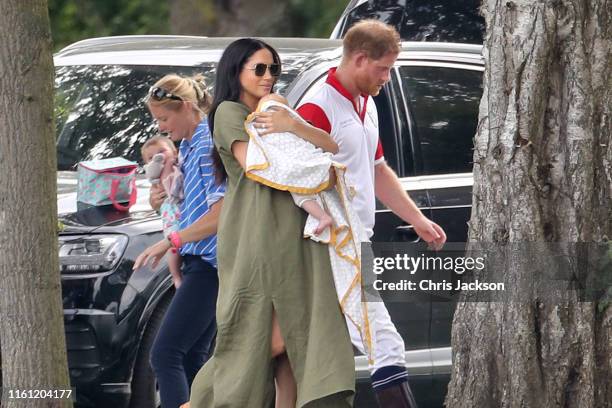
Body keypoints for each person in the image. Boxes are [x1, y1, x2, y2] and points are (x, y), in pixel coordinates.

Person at [189, 38, 355, 408]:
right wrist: (305, 158)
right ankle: (200, 402)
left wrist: (291, 125)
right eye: (259, 69)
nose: (268, 77)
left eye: (274, 69)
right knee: (257, 337)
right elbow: (258, 165)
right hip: (256, 237)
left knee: (294, 346)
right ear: (236, 71)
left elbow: (329, 146)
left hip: (298, 238)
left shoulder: (277, 109)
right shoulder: (228, 112)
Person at [297, 20, 447, 408]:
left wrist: (418, 220)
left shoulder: (366, 102)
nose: (387, 77)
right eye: (383, 69)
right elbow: (291, 176)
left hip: (356, 241)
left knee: (303, 350)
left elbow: (377, 169)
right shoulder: (317, 106)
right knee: (384, 342)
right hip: (331, 244)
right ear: (360, 58)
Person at [133, 73, 226, 408]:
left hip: (210, 265)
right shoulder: (188, 145)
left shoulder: (206, 146)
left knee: (165, 353)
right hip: (197, 262)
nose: (161, 128)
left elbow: (222, 213)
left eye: (164, 118)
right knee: (191, 359)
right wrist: (164, 202)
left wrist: (171, 240)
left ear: (187, 107)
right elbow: (193, 201)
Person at [141, 135, 184, 288]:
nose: (157, 157)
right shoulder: (154, 180)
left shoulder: (182, 167)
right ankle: (176, 276)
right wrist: (155, 202)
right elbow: (157, 199)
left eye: (162, 151)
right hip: (171, 221)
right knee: (172, 248)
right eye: (151, 157)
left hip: (188, 222)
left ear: (175, 152)